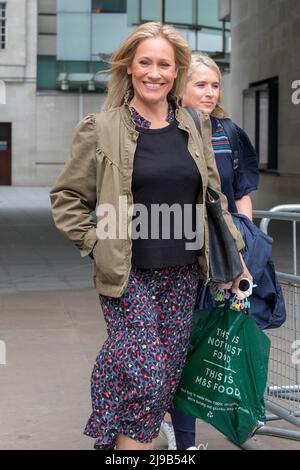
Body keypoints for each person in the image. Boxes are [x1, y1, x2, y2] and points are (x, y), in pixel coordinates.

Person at [50, 24, 249, 451]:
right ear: (129, 66)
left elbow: (214, 197)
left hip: (183, 273)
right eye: (145, 62)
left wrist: (236, 255)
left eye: (164, 64)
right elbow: (67, 197)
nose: (154, 72)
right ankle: (114, 436)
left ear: (175, 71)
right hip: (128, 275)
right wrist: (95, 244)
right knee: (147, 375)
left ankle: (112, 444)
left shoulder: (194, 124)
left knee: (161, 383)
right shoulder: (101, 127)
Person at [168, 53, 259, 450]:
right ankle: (179, 436)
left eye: (215, 85)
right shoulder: (164, 129)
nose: (209, 92)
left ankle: (187, 434)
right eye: (200, 84)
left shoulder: (228, 132)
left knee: (208, 346)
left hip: (222, 259)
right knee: (176, 347)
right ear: (181, 88)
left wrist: (247, 245)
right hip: (175, 255)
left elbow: (240, 196)